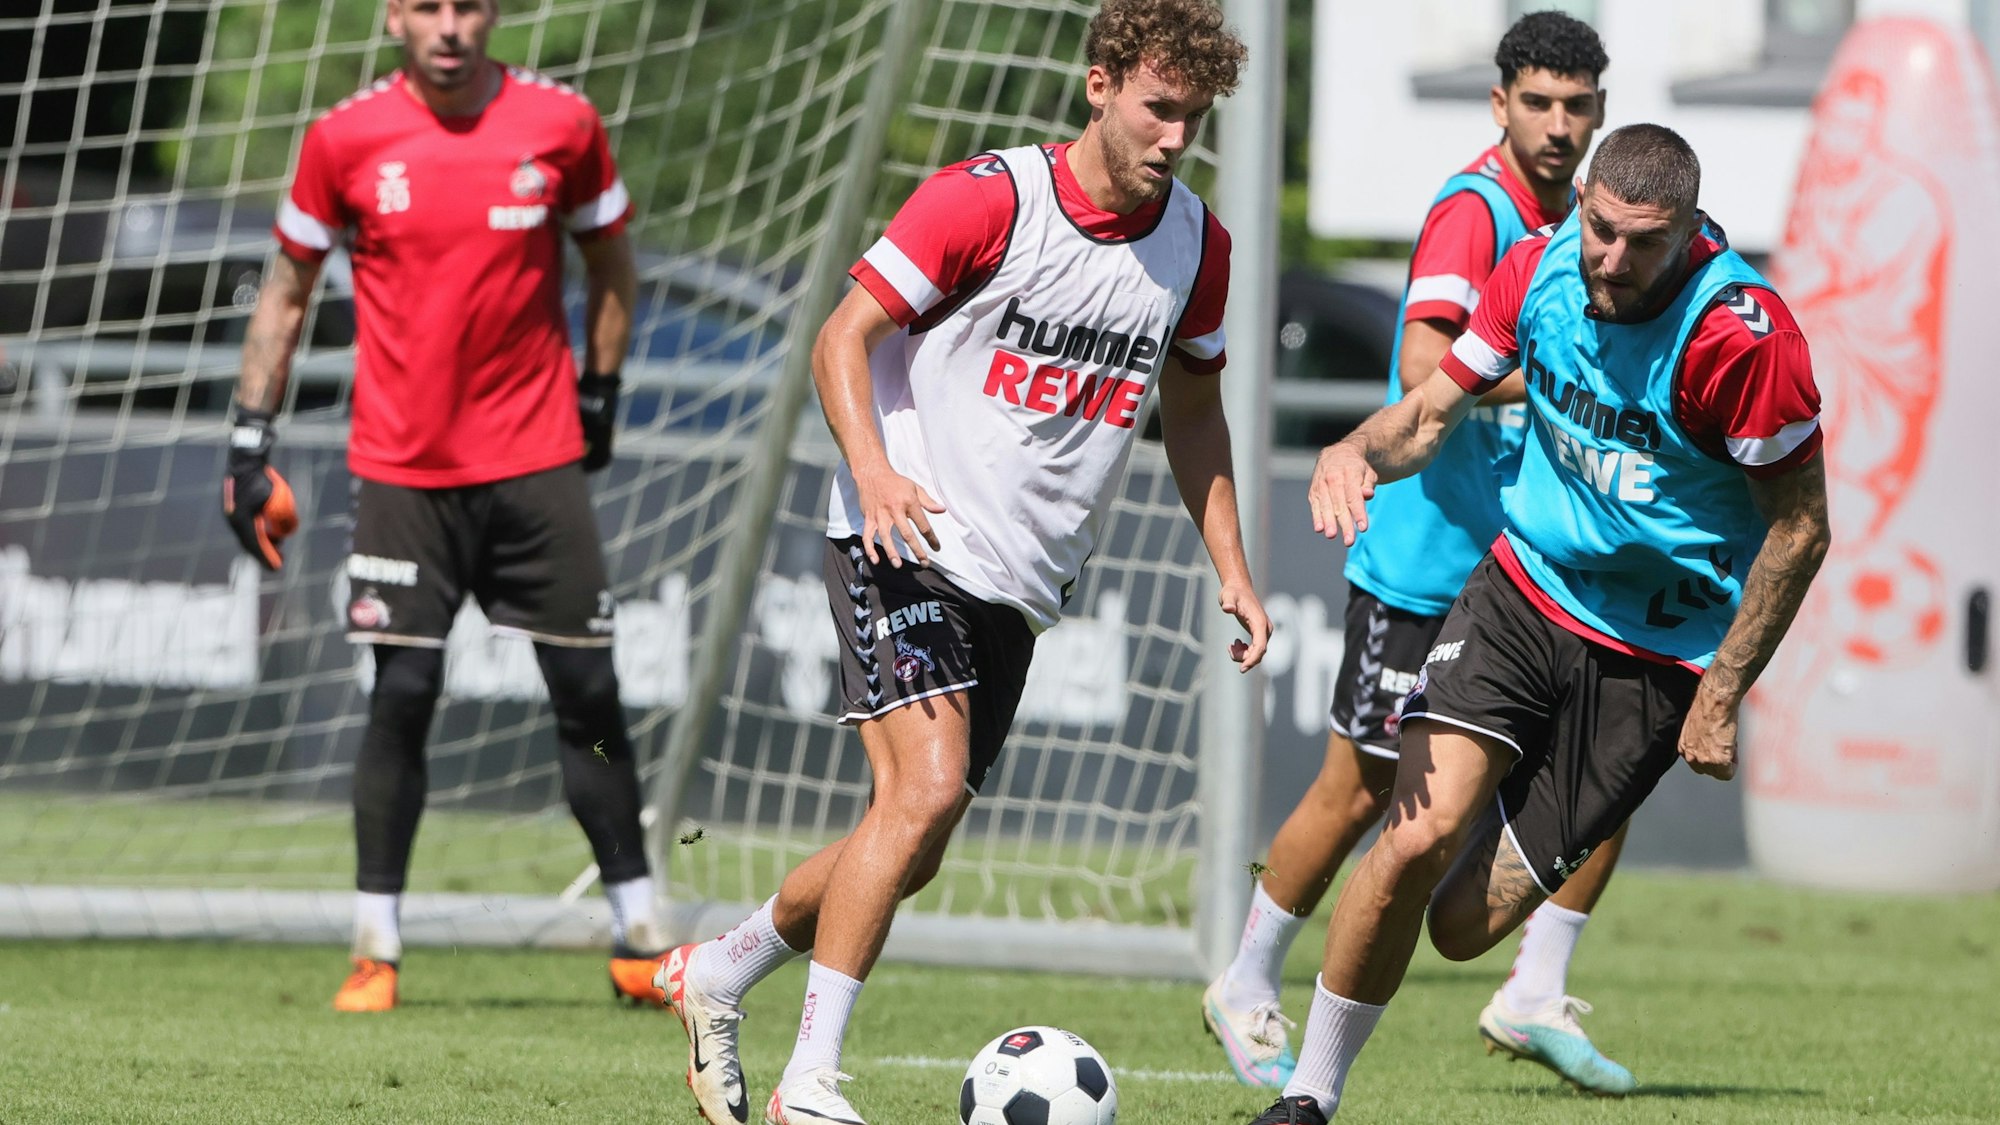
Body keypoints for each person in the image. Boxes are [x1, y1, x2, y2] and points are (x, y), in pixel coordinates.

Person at [653, 3, 1269, 1122]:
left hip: (1019, 584)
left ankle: (718, 971)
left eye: (1195, 115)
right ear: (1098, 86)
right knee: (925, 792)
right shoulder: (987, 199)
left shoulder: (1197, 247)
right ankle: (810, 1083)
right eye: (1157, 107)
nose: (1176, 135)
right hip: (901, 536)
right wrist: (876, 473)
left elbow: (1193, 410)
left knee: (908, 845)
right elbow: (841, 337)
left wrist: (1229, 563)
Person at [1248, 123, 1831, 1124]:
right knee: (1410, 834)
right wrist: (1354, 447)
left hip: (1655, 652)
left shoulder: (1740, 336)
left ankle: (1513, 870)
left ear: (1690, 231)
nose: (1608, 259)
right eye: (1598, 228)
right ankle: (1306, 1099)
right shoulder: (1537, 267)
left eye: (1639, 243)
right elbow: (1429, 412)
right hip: (1524, 592)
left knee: (1463, 927)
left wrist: (1723, 690)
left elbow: (1800, 529)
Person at [1203, 11, 1637, 1096]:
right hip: (1429, 564)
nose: (1554, 124)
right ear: (1499, 105)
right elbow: (1418, 365)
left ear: (1598, 112)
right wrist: (1558, 374)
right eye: (1534, 103)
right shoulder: (1471, 211)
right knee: (1361, 796)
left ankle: (1532, 991)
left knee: (1603, 780)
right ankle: (1246, 981)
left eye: (1574, 106)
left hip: (1537, 570)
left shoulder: (1594, 223)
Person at [221, 0, 666, 1013]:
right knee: (403, 697)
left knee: (587, 695)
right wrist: (248, 443)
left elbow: (610, 262)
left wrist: (599, 389)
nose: (451, 26)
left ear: (494, 15)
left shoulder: (562, 124)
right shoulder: (342, 138)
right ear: (392, 19)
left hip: (536, 460)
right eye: (428, 6)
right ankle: (375, 947)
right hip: (401, 472)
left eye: (468, 5)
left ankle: (638, 933)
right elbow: (286, 294)